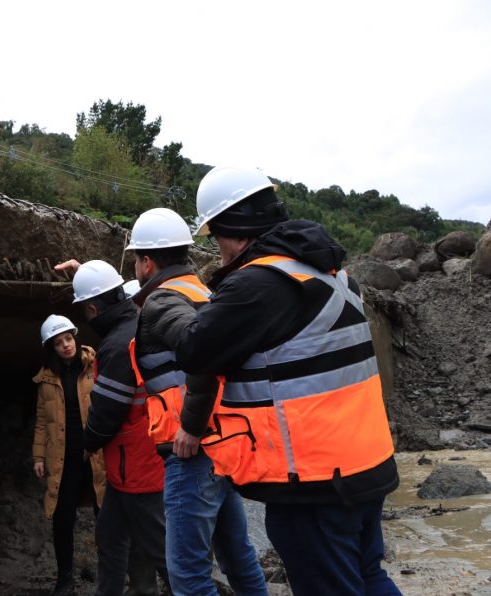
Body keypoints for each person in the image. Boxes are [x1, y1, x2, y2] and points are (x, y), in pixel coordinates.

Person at [172, 166, 401, 595]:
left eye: (215, 236)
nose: (217, 248)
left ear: (232, 228)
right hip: (366, 464)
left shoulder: (258, 284)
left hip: (315, 484)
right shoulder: (329, 274)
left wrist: (176, 299)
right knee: (370, 575)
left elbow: (194, 350)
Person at [125, 208, 268, 595]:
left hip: (193, 451)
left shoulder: (161, 301)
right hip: (223, 446)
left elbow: (202, 353)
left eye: (136, 259)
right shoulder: (203, 292)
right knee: (238, 558)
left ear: (147, 261)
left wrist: (191, 425)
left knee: (188, 575)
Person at [64, 260, 170, 596]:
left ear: (92, 309)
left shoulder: (115, 345)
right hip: (130, 467)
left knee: (164, 554)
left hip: (139, 468)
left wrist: (87, 442)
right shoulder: (135, 321)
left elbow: (106, 414)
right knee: (110, 539)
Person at [33, 314, 107, 596]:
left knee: (105, 514)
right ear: (50, 348)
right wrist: (39, 457)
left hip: (96, 455)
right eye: (58, 342)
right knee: (62, 517)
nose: (66, 345)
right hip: (63, 459)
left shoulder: (95, 365)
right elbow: (42, 422)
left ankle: (107, 574)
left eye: (68, 338)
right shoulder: (47, 380)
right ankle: (65, 579)